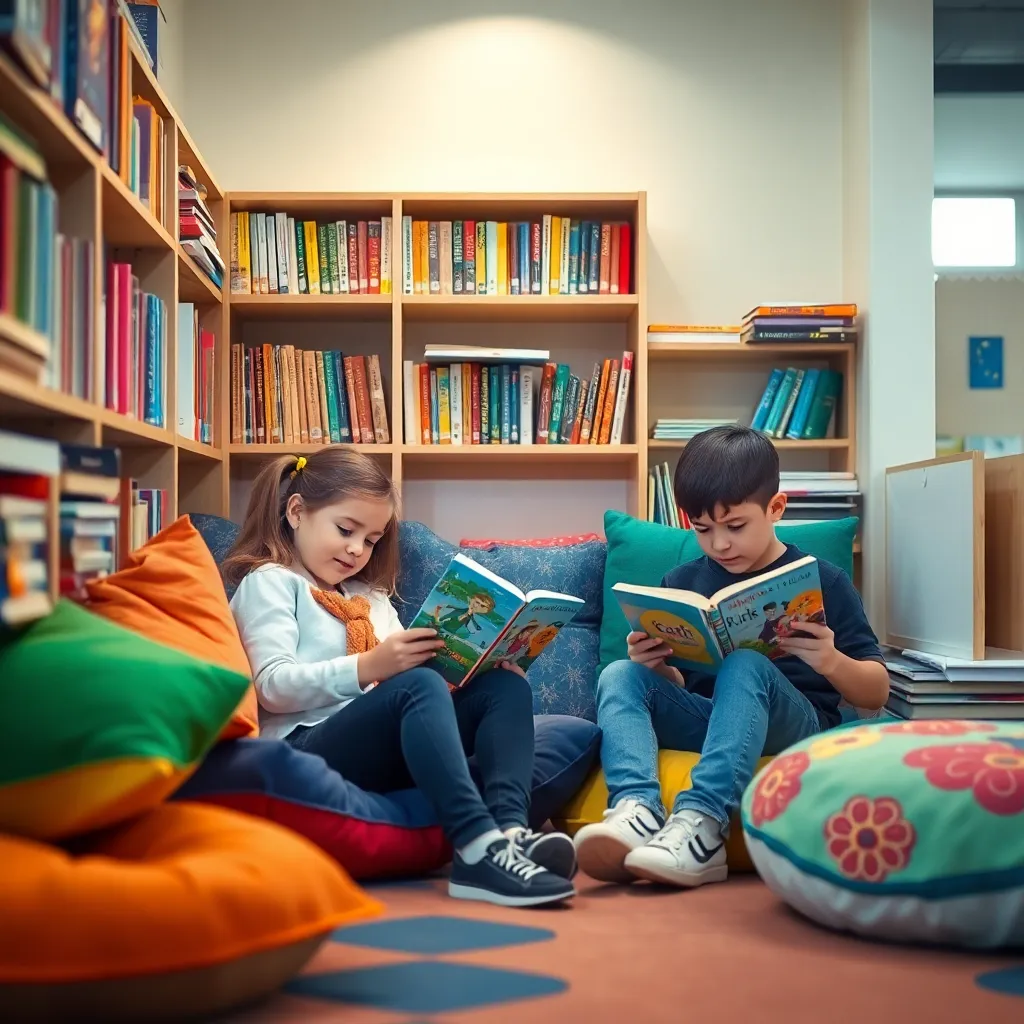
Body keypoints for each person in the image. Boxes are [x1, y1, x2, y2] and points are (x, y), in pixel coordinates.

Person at [222, 448, 576, 907]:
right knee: (416, 685)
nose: (356, 550)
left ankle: (509, 830)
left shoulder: (371, 597)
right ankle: (474, 845)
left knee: (503, 686)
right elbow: (271, 687)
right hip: (305, 745)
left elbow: (410, 685)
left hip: (380, 745)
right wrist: (371, 667)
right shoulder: (270, 582)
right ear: (296, 512)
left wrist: (471, 666)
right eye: (345, 530)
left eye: (371, 540)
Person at [574, 425, 888, 888]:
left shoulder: (824, 579)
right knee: (621, 673)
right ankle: (636, 811)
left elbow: (876, 693)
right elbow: (683, 686)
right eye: (702, 529)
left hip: (794, 725)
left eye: (735, 526)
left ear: (775, 508)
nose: (719, 544)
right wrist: (657, 666)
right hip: (715, 722)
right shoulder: (681, 582)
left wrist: (830, 660)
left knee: (746, 664)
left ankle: (702, 826)